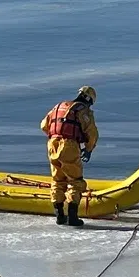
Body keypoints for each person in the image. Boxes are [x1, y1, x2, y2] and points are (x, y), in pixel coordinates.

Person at [41, 85, 98, 226]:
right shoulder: (82, 111)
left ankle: (60, 216)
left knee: (58, 180)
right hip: (69, 146)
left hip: (52, 144)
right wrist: (89, 149)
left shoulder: (59, 106)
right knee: (75, 180)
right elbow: (92, 133)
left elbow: (44, 125)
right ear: (89, 100)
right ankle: (72, 217)